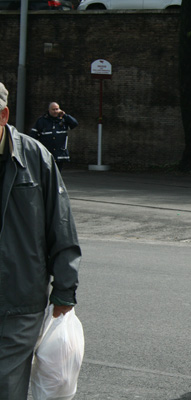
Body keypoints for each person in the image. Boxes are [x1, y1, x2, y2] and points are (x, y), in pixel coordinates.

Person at [0, 83, 81, 398]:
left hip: (20, 301)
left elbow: (60, 225)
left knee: (7, 386)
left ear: (4, 115)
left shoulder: (35, 158)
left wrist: (64, 290)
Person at [29, 101, 78, 171]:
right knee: (47, 175)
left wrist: (65, 115)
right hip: (46, 154)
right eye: (53, 109)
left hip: (60, 154)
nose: (55, 111)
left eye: (57, 109)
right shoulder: (42, 121)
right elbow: (33, 136)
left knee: (57, 175)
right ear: (49, 110)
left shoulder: (64, 121)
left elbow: (75, 123)